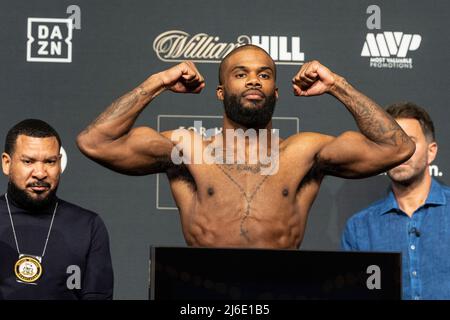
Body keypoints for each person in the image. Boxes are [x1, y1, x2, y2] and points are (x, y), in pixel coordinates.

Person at [77, 44, 415, 249]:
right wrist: (158, 82)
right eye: (241, 74)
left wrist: (337, 85)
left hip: (280, 290)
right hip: (202, 292)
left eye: (265, 75)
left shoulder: (304, 152)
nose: (254, 79)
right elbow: (96, 142)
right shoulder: (187, 148)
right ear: (221, 91)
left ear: (276, 92)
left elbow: (396, 148)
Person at [341, 102, 450, 300]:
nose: (400, 151)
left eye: (408, 141)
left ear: (431, 152)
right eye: (390, 142)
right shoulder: (359, 228)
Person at [0, 119, 113, 299]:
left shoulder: (88, 226)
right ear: (7, 163)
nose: (40, 173)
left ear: (60, 163)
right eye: (28, 161)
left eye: (50, 162)